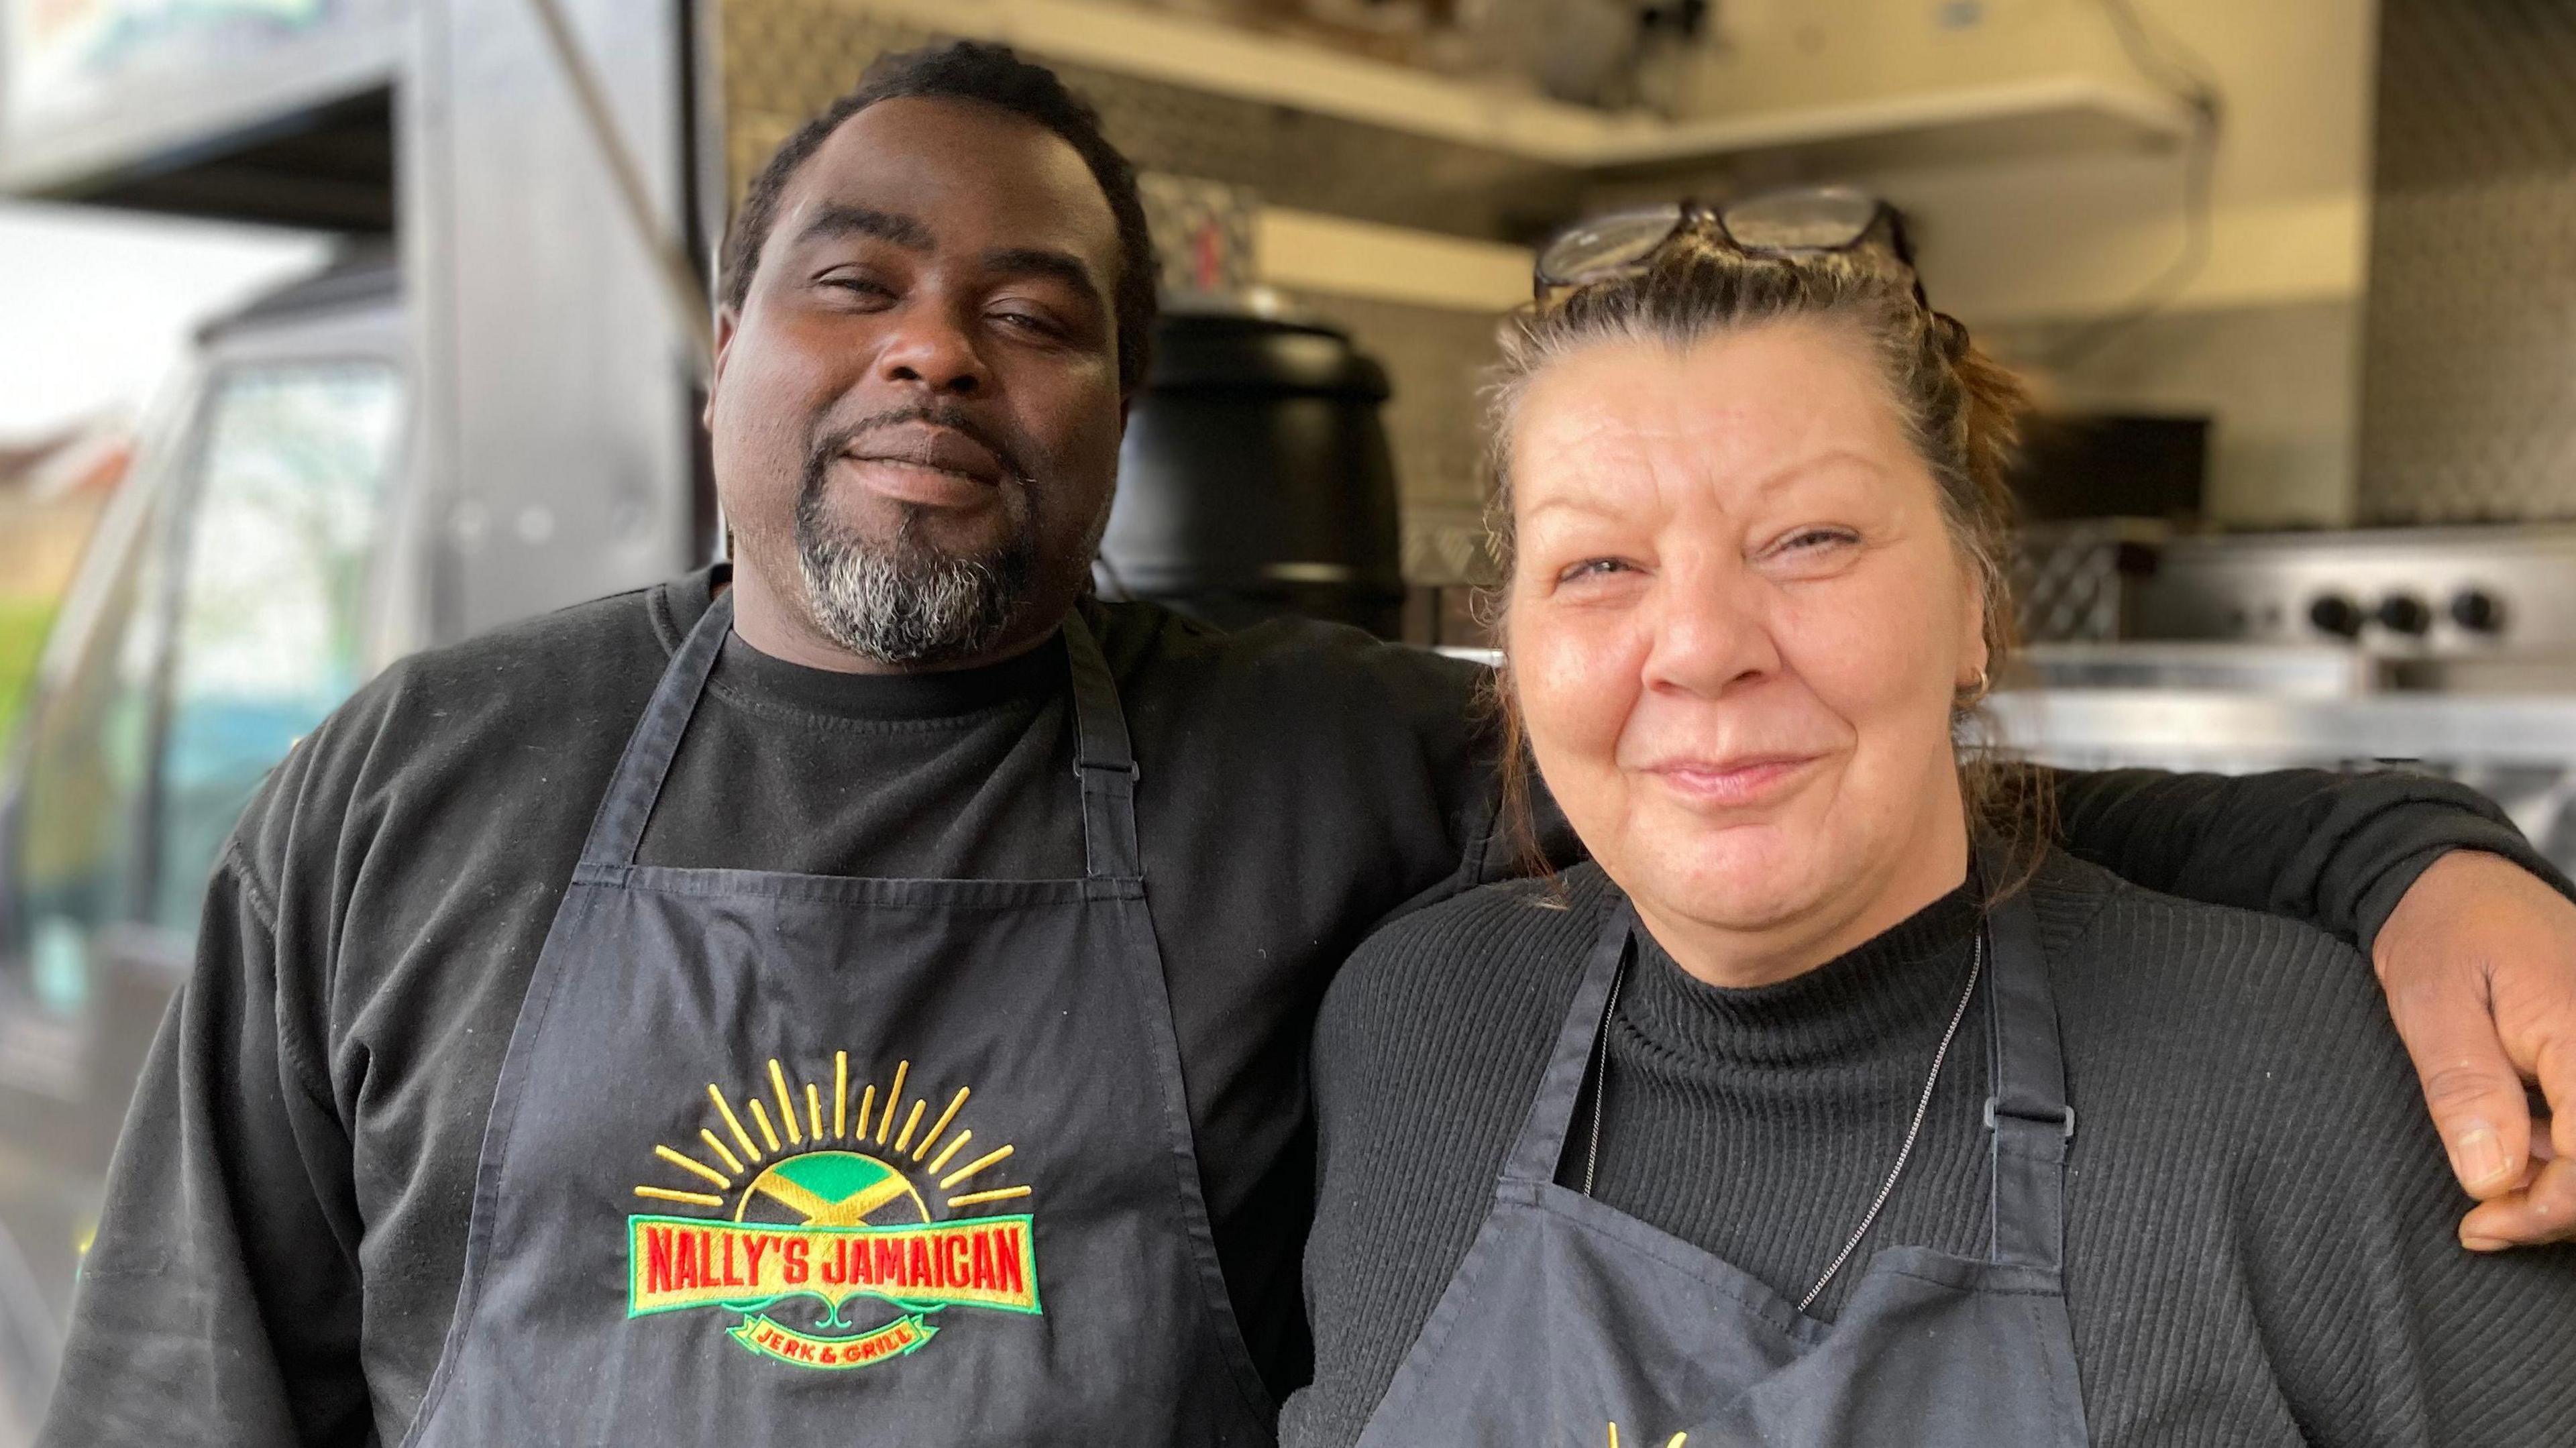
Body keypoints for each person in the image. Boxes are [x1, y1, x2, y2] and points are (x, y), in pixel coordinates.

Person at [33, 44, 2576, 1448]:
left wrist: (2406, 853)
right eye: (859, 281)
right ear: (732, 354)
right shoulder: (405, 785)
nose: (938, 344)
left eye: (1037, 310)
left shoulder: (1312, 760)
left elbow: (1824, 807)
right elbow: (178, 1387)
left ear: (1122, 412)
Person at [1286, 190, 2576, 1447]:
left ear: (1975, 604)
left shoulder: (2309, 1086)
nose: (1699, 646)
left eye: (1809, 538)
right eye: (1599, 566)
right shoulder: (1408, 1029)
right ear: (1507, 647)